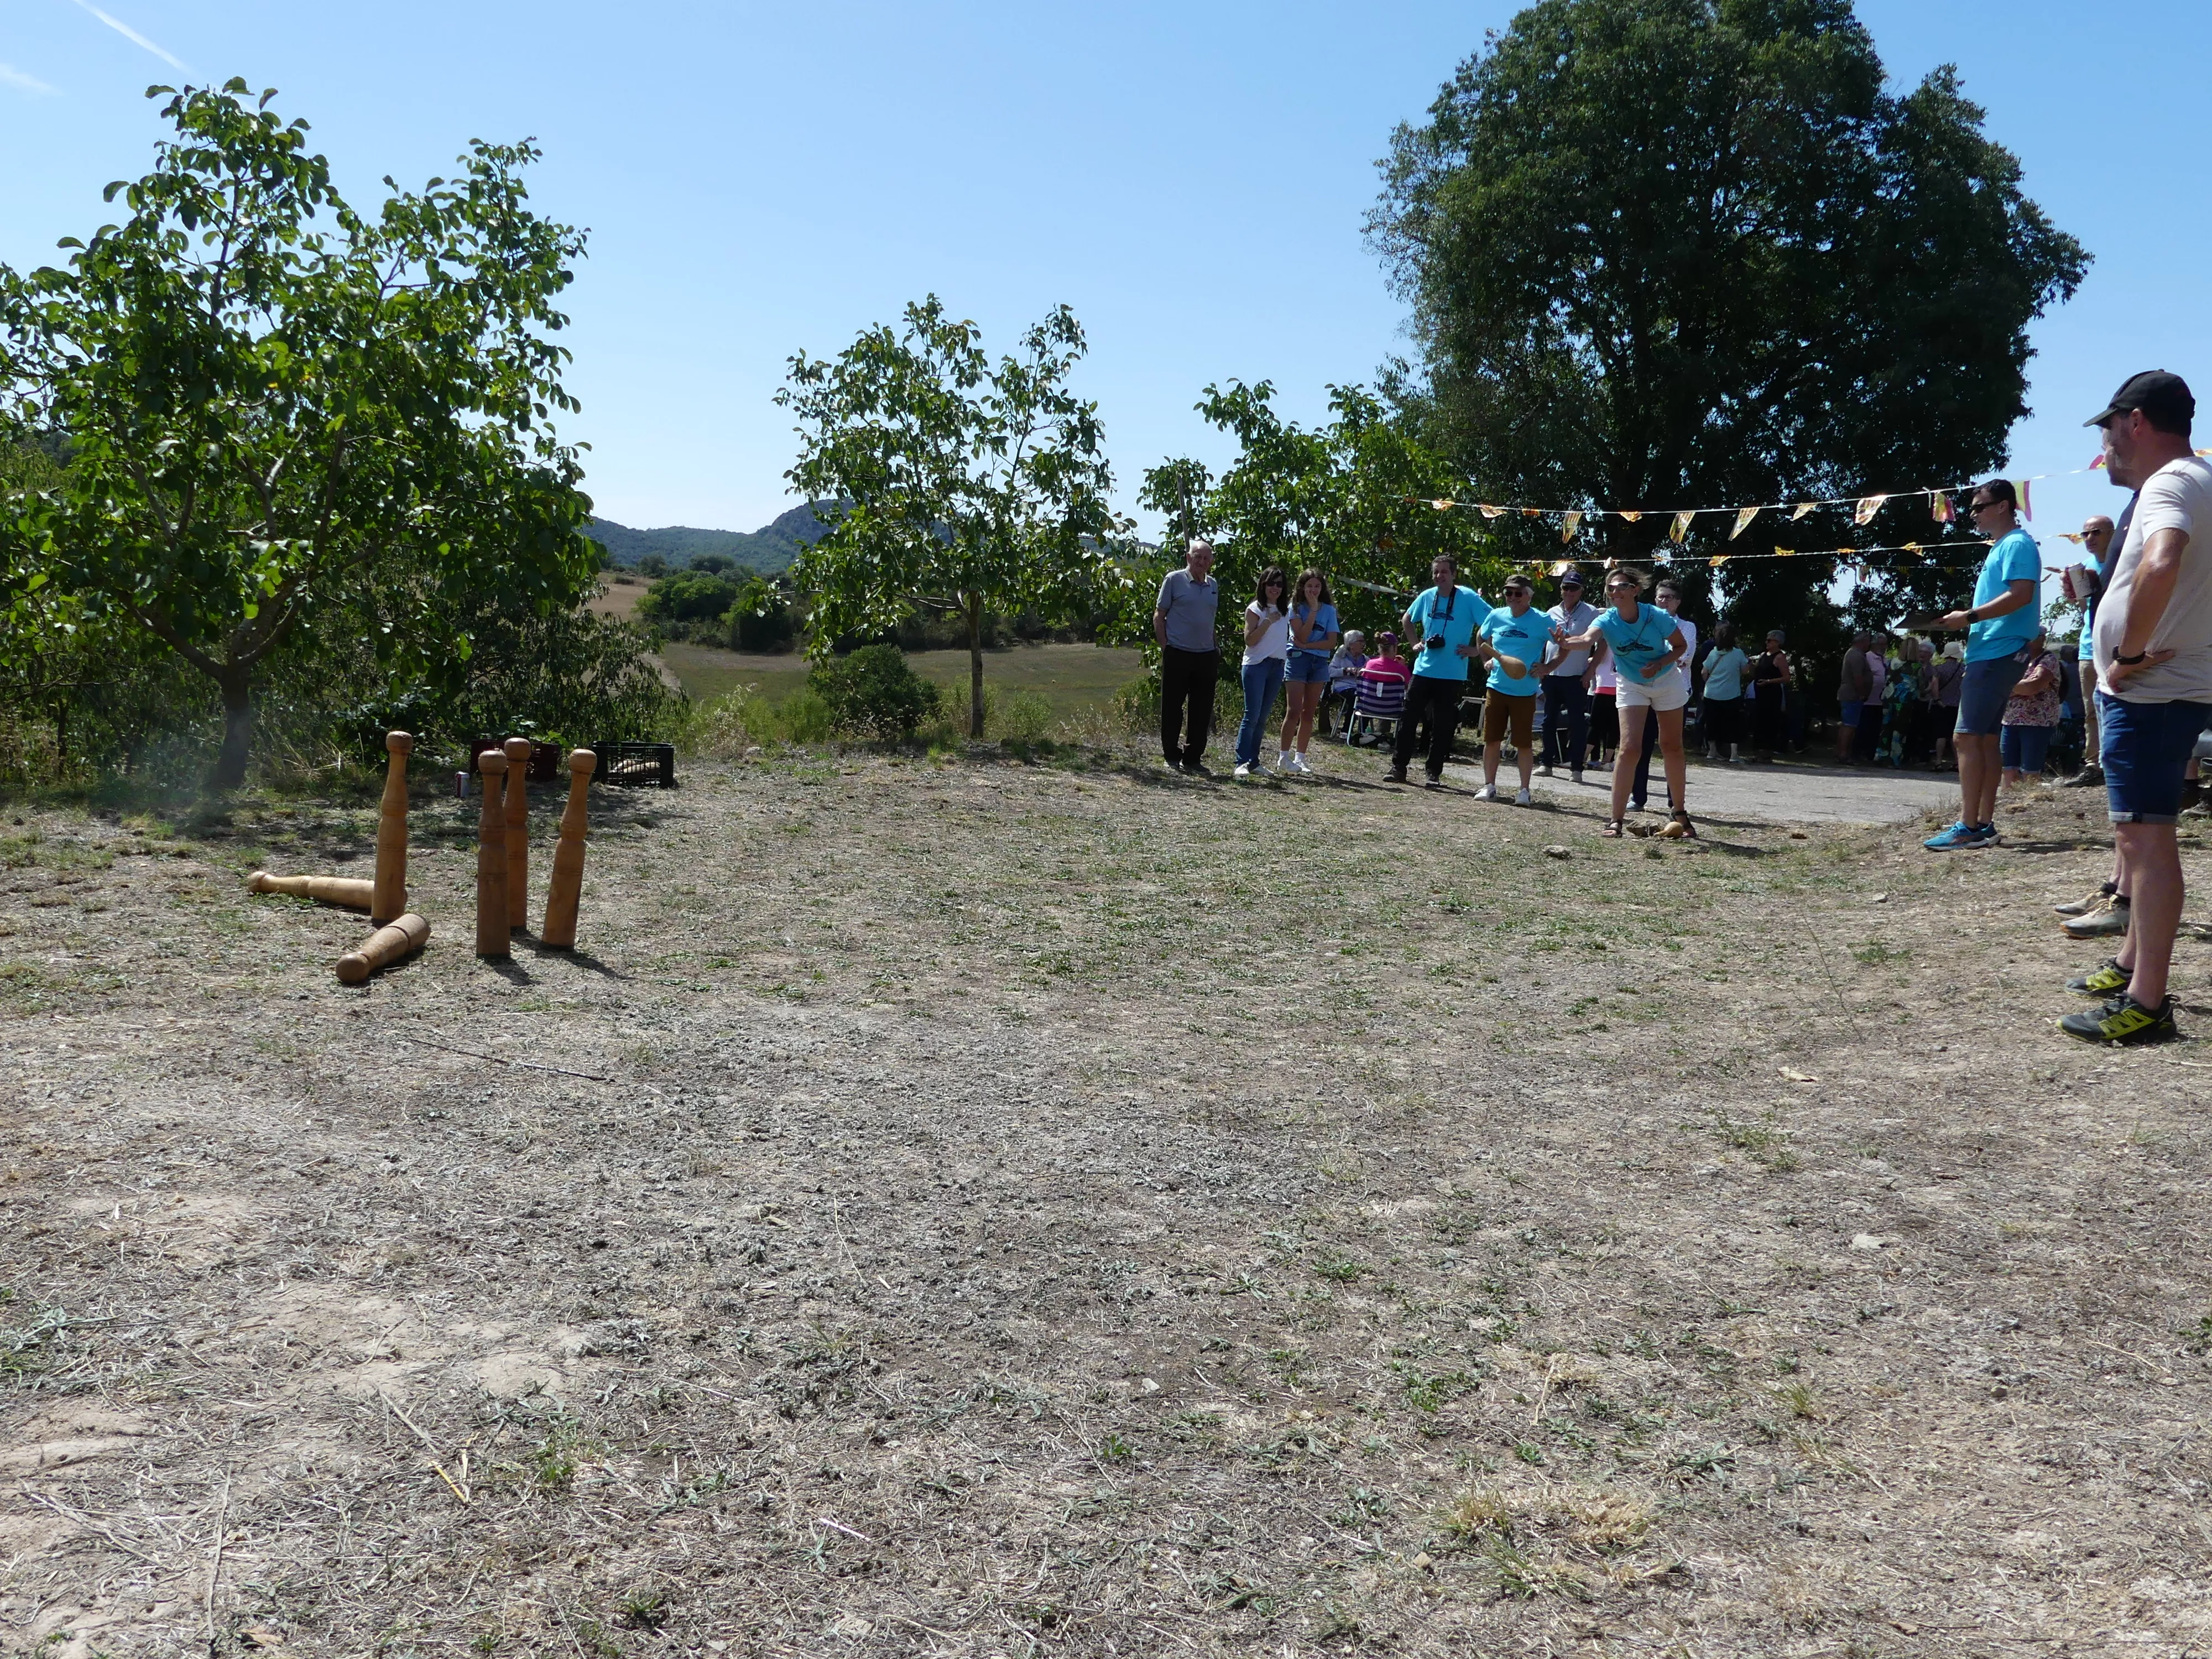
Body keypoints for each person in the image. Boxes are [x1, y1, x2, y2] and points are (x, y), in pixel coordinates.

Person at [2061, 371, 2212, 1044]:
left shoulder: (2171, 483)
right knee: (2144, 836)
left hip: (2149, 693)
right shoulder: (2202, 480)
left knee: (2146, 843)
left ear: (2137, 420)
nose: (2105, 438)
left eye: (2110, 424)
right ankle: (2130, 967)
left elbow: (2162, 561)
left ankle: (2147, 1003)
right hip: (2170, 687)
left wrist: (2126, 655)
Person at [1924, 480, 2042, 849]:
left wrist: (1970, 617)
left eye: (1979, 507)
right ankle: (1982, 824)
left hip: (1996, 651)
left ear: (2004, 506)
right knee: (1987, 739)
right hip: (1996, 651)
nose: (1972, 514)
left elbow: (2021, 595)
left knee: (1966, 738)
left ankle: (1968, 826)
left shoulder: (2017, 544)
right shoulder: (2005, 546)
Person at [1558, 567, 1694, 837]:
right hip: (1631, 683)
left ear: (1635, 590)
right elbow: (1586, 640)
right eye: (1610, 587)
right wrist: (1565, 641)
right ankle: (1616, 820)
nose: (1614, 592)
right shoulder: (1607, 620)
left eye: (1620, 586)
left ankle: (1680, 812)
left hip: (1667, 680)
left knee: (1671, 746)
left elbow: (1681, 647)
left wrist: (1658, 664)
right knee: (1629, 749)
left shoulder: (1656, 616)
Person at [1386, 556, 1484, 789]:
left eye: (1444, 572)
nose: (1440, 576)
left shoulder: (1468, 597)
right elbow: (1407, 619)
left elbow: (1492, 623)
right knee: (1409, 718)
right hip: (1424, 669)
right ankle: (1398, 767)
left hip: (1451, 673)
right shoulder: (1427, 596)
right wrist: (1414, 644)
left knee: (1442, 724)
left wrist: (1476, 650)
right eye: (1436, 572)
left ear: (1454, 574)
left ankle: (1433, 773)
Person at [1475, 573, 1551, 804]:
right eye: (1509, 593)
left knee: (1524, 743)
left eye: (1518, 593)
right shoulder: (1496, 616)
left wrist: (1549, 667)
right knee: (1492, 740)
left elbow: (1564, 643)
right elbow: (1481, 637)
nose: (1513, 597)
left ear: (1529, 596)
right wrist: (1485, 661)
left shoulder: (1542, 620)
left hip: (1525, 691)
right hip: (1496, 688)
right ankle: (1489, 786)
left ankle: (1524, 791)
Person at [1630, 580, 1699, 810]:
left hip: (1674, 691)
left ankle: (1675, 802)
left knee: (1672, 746)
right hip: (1644, 690)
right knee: (1640, 744)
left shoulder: (1687, 627)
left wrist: (1654, 660)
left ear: (1678, 602)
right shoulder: (1643, 626)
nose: (1664, 601)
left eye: (1669, 597)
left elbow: (1681, 656)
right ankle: (1637, 797)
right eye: (1660, 597)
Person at [1154, 538, 1220, 774]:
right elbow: (1159, 616)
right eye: (1197, 557)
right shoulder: (1174, 580)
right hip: (1178, 653)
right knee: (1172, 706)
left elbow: (1209, 618)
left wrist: (1215, 647)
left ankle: (1193, 758)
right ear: (1188, 558)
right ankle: (1171, 755)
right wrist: (1166, 648)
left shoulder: (1213, 585)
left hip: (1206, 655)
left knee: (1201, 709)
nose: (1201, 561)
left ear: (1211, 562)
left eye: (1206, 558)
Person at [2062, 513, 2117, 786]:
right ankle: (2093, 765)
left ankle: (2116, 762)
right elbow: (2083, 608)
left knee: (2119, 706)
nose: (2090, 539)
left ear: (2113, 534)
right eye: (2085, 534)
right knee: (2090, 711)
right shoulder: (2084, 566)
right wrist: (2074, 593)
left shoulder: (2124, 561)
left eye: (2096, 532)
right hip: (2088, 646)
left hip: (2118, 646)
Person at [1276, 570, 1339, 775]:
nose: (1313, 590)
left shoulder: (1329, 610)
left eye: (1317, 586)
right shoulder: (1294, 608)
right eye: (1310, 586)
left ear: (1322, 589)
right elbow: (1300, 634)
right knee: (1293, 710)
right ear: (1302, 587)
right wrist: (1312, 612)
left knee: (1308, 713)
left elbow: (1331, 642)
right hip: (1296, 661)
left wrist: (1307, 644)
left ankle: (1300, 758)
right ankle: (1283, 757)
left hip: (1319, 663)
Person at [1540, 570, 1600, 782]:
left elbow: (1600, 645)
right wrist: (1542, 669)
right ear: (1561, 589)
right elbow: (1543, 640)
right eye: (1566, 587)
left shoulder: (1591, 612)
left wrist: (1591, 672)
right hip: (1552, 674)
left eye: (1574, 588)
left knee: (1577, 723)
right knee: (1548, 721)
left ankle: (1576, 768)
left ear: (1581, 590)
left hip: (1576, 676)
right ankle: (1546, 763)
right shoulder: (1551, 612)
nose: (1569, 592)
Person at [1234, 567, 1290, 779]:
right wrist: (1267, 622)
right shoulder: (1255, 609)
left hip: (1277, 666)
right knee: (1252, 715)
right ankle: (1241, 762)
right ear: (1263, 585)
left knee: (1262, 718)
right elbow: (1249, 640)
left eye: (1279, 584)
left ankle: (1253, 761)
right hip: (1256, 665)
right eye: (1271, 583)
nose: (1275, 588)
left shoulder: (1286, 610)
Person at [2000, 628, 2062, 786]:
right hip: (2010, 721)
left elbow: (2032, 686)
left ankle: (2030, 800)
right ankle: (2008, 801)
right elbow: (2000, 680)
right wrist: (2014, 686)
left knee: (2030, 769)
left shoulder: (2048, 660)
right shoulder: (2019, 657)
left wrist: (2008, 686)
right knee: (2007, 767)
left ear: (2042, 639)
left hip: (2037, 722)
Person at [1699, 623, 1750, 764]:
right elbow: (1746, 671)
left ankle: (1712, 751)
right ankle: (1734, 755)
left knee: (1712, 723)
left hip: (1712, 693)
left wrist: (1710, 682)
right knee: (1733, 723)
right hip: (1731, 694)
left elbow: (1704, 672)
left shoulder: (1714, 652)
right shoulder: (1738, 653)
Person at [1353, 633, 1412, 740]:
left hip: (1367, 708)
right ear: (1394, 648)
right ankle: (1388, 736)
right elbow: (1409, 688)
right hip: (1391, 710)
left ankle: (1364, 734)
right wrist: (1403, 666)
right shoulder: (1401, 669)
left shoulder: (1370, 664)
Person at [1751, 630, 1792, 761]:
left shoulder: (1780, 657)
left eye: (1770, 641)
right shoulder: (1764, 655)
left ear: (1778, 642)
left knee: (1770, 722)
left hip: (1772, 694)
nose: (1767, 643)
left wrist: (1769, 682)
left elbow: (1787, 678)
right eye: (1767, 640)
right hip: (1760, 694)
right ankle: (1758, 752)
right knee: (1759, 722)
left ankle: (1767, 753)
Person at [1836, 631, 1875, 764]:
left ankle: (1841, 753)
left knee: (1847, 725)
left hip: (1851, 694)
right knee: (1849, 726)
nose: (1869, 644)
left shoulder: (1856, 654)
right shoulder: (1856, 655)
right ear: (1862, 641)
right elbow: (1858, 677)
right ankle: (1844, 754)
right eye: (1868, 641)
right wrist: (1862, 693)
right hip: (1852, 695)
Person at [1322, 629, 1369, 735]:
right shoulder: (1340, 656)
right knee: (1354, 698)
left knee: (1368, 698)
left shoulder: (1366, 660)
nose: (1363, 644)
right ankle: (1346, 730)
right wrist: (1346, 670)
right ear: (1351, 644)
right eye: (1360, 642)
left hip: (1359, 687)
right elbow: (1330, 672)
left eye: (1363, 641)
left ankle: (1363, 732)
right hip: (1343, 686)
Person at [1930, 642, 1964, 768]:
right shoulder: (1964, 668)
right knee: (1954, 735)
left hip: (1942, 705)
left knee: (1941, 734)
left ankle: (1938, 762)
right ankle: (1957, 763)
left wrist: (1937, 699)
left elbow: (1935, 686)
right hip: (1958, 705)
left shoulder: (1938, 669)